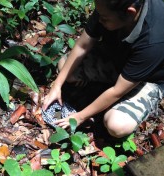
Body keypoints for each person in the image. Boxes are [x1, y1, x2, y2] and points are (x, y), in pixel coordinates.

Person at [42, 0, 164, 138]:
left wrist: (79, 117)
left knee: (117, 125)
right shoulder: (108, 6)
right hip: (117, 60)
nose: (99, 20)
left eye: (104, 18)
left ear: (130, 13)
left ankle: (109, 105)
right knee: (65, 66)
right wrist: (56, 86)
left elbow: (117, 91)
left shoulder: (153, 41)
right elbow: (82, 46)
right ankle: (98, 95)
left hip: (147, 78)